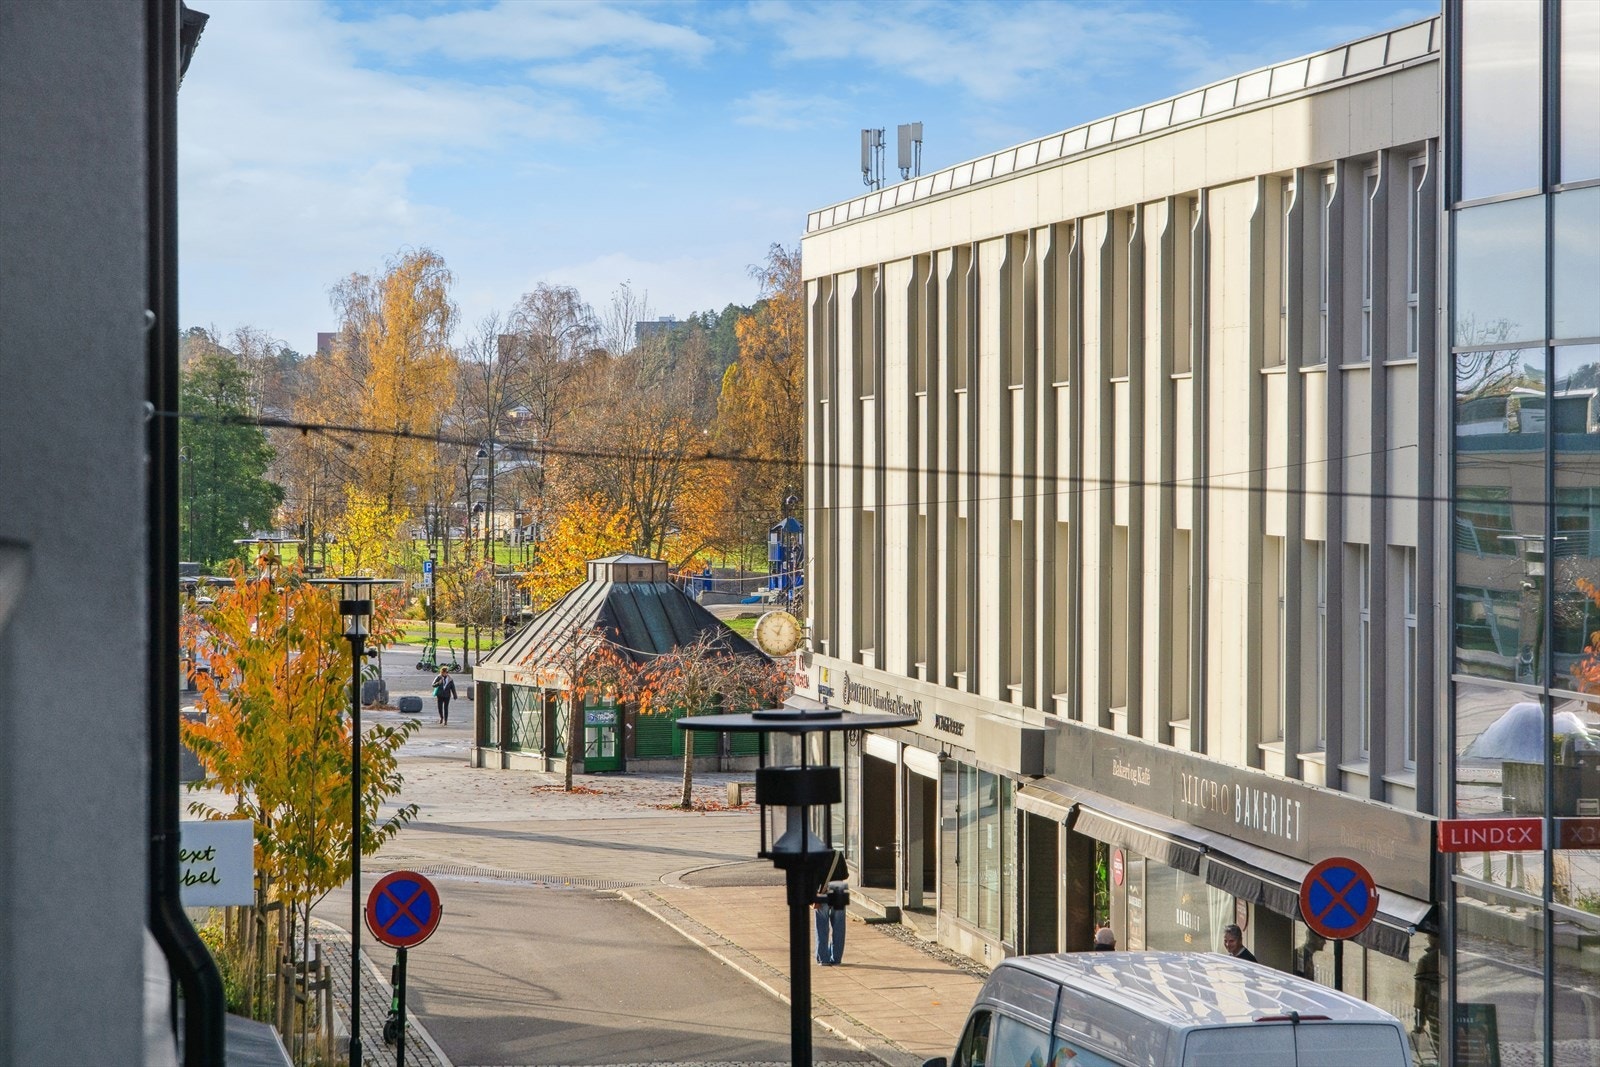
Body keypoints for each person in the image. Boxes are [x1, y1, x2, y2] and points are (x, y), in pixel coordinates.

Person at [814, 880, 847, 965]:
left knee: (821, 925)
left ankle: (823, 958)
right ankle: (836, 958)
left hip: (822, 889)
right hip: (839, 889)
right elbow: (845, 874)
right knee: (839, 926)